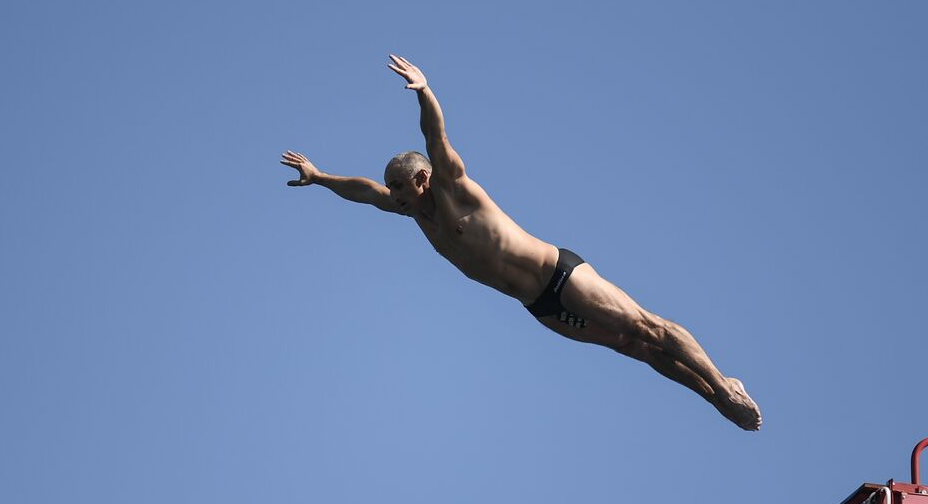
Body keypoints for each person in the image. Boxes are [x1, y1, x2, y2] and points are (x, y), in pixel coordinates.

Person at [281, 55, 761, 430]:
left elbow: (435, 135)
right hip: (539, 306)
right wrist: (319, 177)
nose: (395, 199)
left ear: (422, 179)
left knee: (646, 327)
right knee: (632, 348)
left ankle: (724, 386)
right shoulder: (412, 214)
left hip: (560, 276)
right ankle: (712, 398)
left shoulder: (452, 187)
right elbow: (362, 192)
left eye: (400, 189)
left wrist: (425, 92)